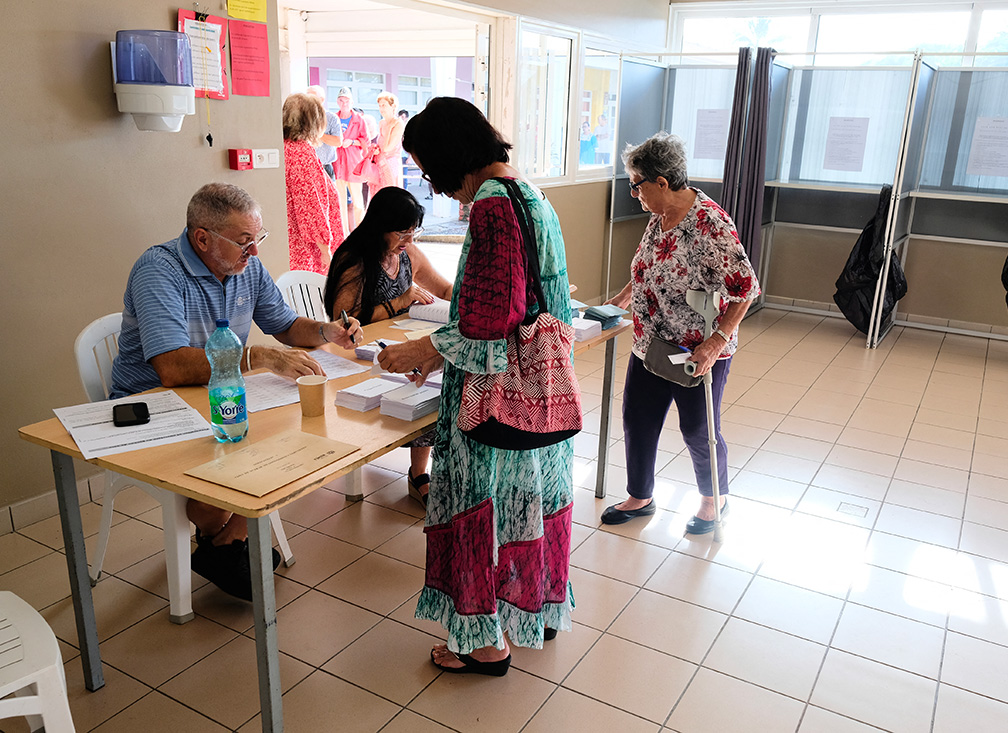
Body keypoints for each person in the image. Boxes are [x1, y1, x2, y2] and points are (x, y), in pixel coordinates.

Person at [376, 97, 575, 676]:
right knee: (532, 505)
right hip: (540, 390)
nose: (432, 185)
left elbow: (488, 329)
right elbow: (543, 303)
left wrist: (423, 351)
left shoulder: (490, 207)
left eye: (426, 167)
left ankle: (483, 642)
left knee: (475, 513)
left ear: (448, 156)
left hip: (492, 407)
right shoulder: (533, 196)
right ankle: (535, 607)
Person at [109, 182, 363, 600]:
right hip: (155, 404)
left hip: (220, 394)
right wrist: (256, 358)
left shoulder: (244, 268)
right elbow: (170, 367)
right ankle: (222, 536)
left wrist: (325, 331)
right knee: (241, 468)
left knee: (301, 440)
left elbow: (284, 325)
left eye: (257, 239)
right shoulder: (159, 270)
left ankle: (226, 541)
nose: (255, 252)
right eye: (245, 242)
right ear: (202, 238)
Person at [600, 132, 759, 535]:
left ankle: (713, 500)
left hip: (695, 349)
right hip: (649, 343)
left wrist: (715, 342)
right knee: (638, 417)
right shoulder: (660, 215)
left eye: (636, 184)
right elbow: (648, 269)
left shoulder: (710, 224)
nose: (633, 193)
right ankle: (640, 495)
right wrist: (618, 300)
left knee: (698, 428)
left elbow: (747, 288)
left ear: (662, 183)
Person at [323, 186, 453, 505]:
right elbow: (347, 321)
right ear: (380, 227)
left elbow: (446, 288)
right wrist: (401, 301)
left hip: (399, 340)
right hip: (358, 353)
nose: (409, 240)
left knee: (432, 383)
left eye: (413, 231)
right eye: (402, 232)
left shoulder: (407, 254)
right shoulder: (354, 259)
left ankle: (419, 472)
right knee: (414, 382)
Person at [283, 93, 345, 272]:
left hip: (297, 241)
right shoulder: (301, 153)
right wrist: (325, 250)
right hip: (307, 248)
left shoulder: (285, 148)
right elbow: (310, 205)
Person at [334, 87, 371, 234]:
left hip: (354, 165)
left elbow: (366, 142)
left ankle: (362, 233)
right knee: (340, 203)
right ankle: (343, 235)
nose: (344, 103)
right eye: (341, 100)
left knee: (358, 203)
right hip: (338, 165)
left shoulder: (359, 120)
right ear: (338, 101)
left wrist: (352, 142)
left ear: (352, 102)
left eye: (347, 101)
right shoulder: (333, 118)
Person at [369, 92, 405, 196]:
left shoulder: (398, 123)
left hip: (391, 164)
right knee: (377, 194)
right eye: (380, 106)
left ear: (393, 106)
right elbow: (381, 145)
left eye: (384, 105)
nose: (381, 108)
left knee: (390, 194)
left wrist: (389, 129)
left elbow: (388, 148)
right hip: (379, 163)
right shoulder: (381, 123)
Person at [306, 85, 343, 180]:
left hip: (325, 168)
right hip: (306, 168)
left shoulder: (331, 118)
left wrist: (318, 134)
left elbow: (338, 142)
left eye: (312, 97)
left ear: (321, 100)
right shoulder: (302, 118)